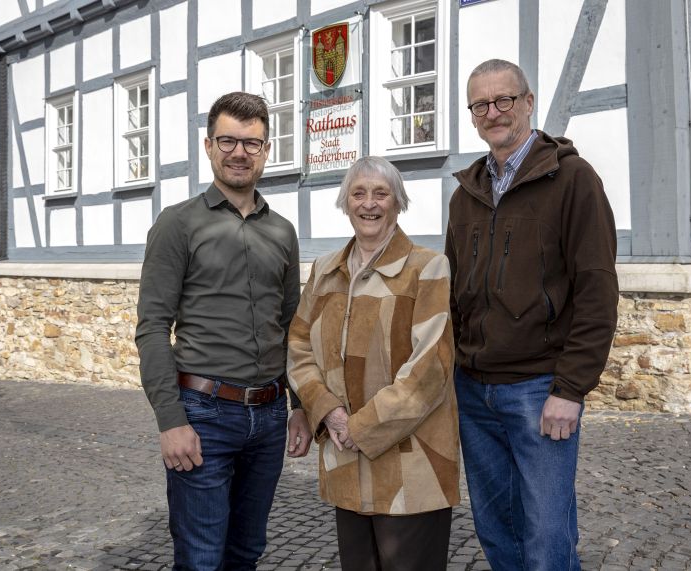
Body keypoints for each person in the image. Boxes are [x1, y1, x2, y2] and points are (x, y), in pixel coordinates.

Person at [445, 59, 619, 570]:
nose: (493, 112)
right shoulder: (466, 195)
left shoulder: (573, 180)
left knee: (546, 536)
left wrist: (571, 390)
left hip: (539, 390)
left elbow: (597, 290)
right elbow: (454, 294)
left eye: (504, 100)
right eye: (481, 104)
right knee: (497, 530)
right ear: (472, 115)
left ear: (528, 102)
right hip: (474, 391)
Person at [135, 91, 312, 570]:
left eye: (252, 144)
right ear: (209, 146)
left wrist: (300, 406)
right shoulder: (178, 224)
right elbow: (152, 327)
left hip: (271, 416)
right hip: (203, 415)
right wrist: (170, 420)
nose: (239, 153)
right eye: (228, 141)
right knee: (200, 558)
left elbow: (292, 326)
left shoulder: (282, 232)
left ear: (266, 150)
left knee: (246, 553)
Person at [287, 156, 460, 571]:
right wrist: (326, 411)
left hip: (414, 467)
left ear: (397, 203)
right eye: (358, 193)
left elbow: (430, 367)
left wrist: (358, 428)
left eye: (381, 193)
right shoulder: (325, 271)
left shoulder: (427, 268)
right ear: (345, 203)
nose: (369, 204)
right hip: (345, 464)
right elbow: (298, 346)